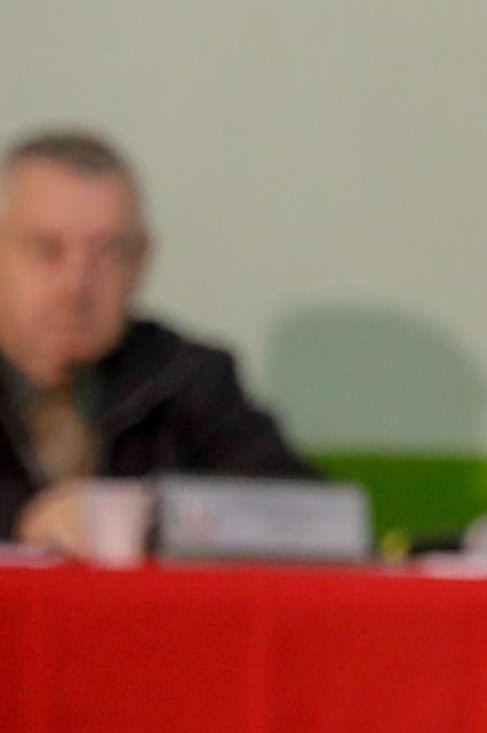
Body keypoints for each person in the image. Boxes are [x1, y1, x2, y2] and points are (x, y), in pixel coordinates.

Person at [0, 129, 317, 549]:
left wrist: (149, 521)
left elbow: (312, 520)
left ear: (141, 263)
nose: (75, 287)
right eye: (46, 249)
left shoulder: (187, 380)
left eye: (108, 253)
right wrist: (20, 525)